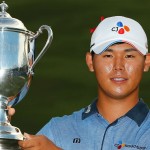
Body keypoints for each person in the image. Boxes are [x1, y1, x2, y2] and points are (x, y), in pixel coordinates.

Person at [9, 16, 150, 150]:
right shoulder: (56, 130)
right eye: (108, 55)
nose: (118, 66)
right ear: (90, 62)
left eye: (129, 56)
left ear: (146, 62)